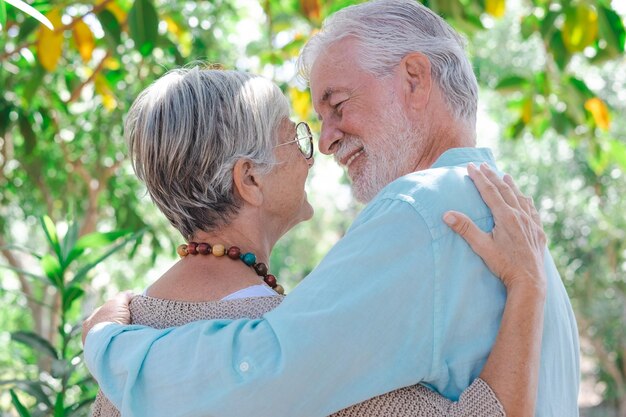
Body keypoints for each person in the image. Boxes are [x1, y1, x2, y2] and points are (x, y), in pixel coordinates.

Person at [83, 0, 580, 416]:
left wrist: (109, 341)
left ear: (413, 78)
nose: (322, 144)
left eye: (337, 106)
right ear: (249, 179)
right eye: (303, 130)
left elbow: (263, 371)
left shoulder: (421, 211)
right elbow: (268, 369)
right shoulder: (521, 236)